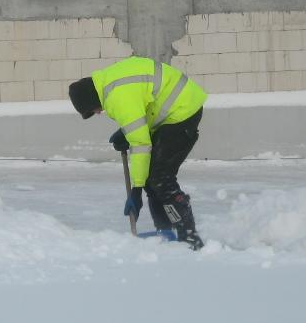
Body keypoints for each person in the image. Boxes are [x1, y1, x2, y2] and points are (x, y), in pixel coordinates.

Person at [68, 56, 207, 250]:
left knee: (160, 178)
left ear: (93, 98)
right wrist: (127, 131)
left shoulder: (117, 97)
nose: (98, 113)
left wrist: (136, 189)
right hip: (175, 106)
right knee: (154, 180)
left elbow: (141, 145)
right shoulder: (108, 81)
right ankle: (165, 231)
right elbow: (145, 104)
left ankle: (189, 236)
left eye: (93, 110)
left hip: (183, 111)